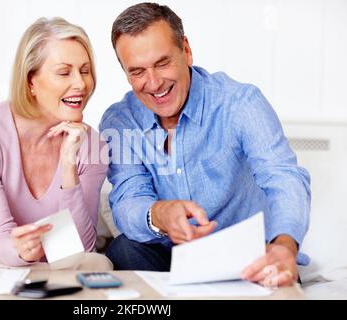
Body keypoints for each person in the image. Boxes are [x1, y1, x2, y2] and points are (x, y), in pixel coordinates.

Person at [99, 2, 310, 287]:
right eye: (137, 71)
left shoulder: (239, 103)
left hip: (246, 258)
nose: (154, 83)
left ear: (186, 51)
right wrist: (158, 214)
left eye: (162, 63)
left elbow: (284, 177)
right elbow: (128, 198)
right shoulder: (120, 120)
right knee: (122, 249)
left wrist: (284, 246)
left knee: (276, 271)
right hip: (169, 260)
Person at [0, 17, 112, 270]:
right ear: (30, 81)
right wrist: (20, 248)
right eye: (64, 72)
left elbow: (80, 249)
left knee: (97, 265)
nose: (81, 84)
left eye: (85, 71)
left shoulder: (92, 145)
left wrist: (68, 165)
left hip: (46, 266)